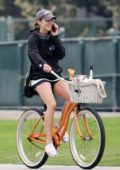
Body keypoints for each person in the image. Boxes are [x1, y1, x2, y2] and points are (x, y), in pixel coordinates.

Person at [28, 9, 70, 157]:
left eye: (52, 19)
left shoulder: (52, 36)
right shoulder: (33, 37)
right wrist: (42, 64)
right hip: (39, 76)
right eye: (46, 20)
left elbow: (61, 54)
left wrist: (56, 37)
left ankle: (60, 127)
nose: (50, 22)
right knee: (51, 104)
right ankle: (48, 143)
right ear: (38, 22)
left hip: (54, 74)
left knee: (73, 97)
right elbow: (33, 53)